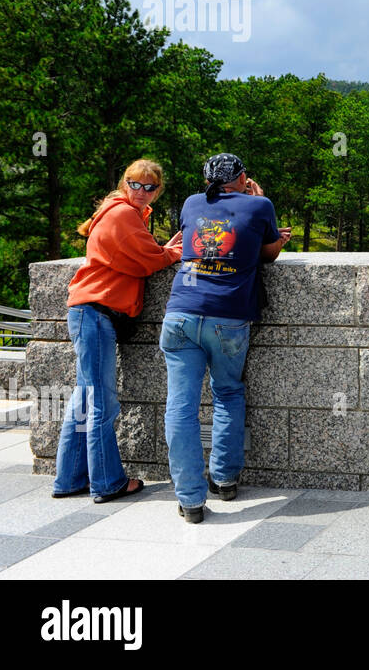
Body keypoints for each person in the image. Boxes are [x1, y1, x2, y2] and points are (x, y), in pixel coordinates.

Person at [161, 154, 290, 523]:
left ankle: (190, 500)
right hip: (229, 316)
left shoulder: (191, 203)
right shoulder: (260, 204)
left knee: (180, 407)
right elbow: (264, 252)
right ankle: (225, 479)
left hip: (180, 312)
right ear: (244, 178)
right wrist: (259, 203)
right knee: (228, 392)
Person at [54, 159, 182, 503]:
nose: (141, 191)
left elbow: (137, 254)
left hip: (87, 312)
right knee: (102, 405)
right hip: (96, 314)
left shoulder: (118, 211)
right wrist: (173, 251)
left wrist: (162, 249)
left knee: (84, 400)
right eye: (135, 184)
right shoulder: (123, 213)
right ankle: (108, 482)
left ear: (158, 190)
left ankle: (69, 479)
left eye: (149, 186)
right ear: (124, 183)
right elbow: (148, 259)